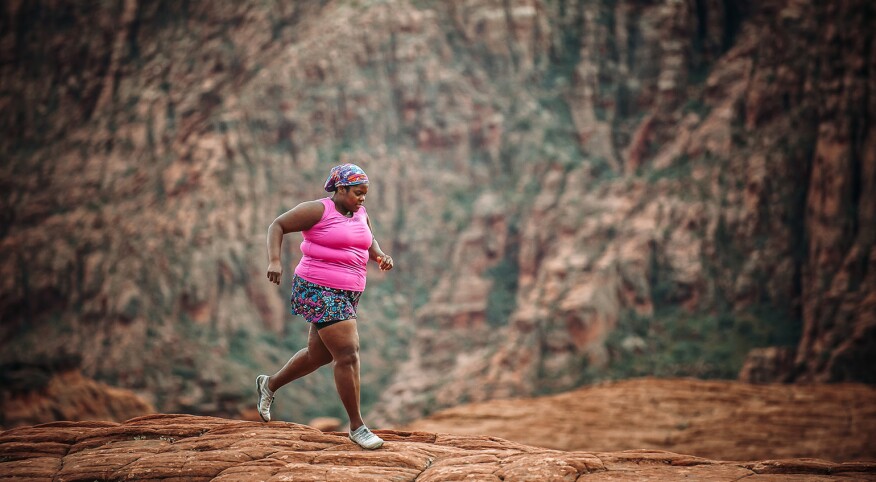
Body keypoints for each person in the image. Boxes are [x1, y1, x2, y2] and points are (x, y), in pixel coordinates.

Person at [255, 163, 394, 450]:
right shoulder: (318, 210)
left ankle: (269, 384)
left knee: (318, 355)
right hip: (318, 288)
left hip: (349, 292)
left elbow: (367, 240)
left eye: (365, 194)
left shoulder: (360, 213)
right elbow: (277, 225)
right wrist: (274, 260)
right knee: (348, 353)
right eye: (357, 193)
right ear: (340, 189)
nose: (362, 198)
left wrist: (379, 255)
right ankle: (357, 427)